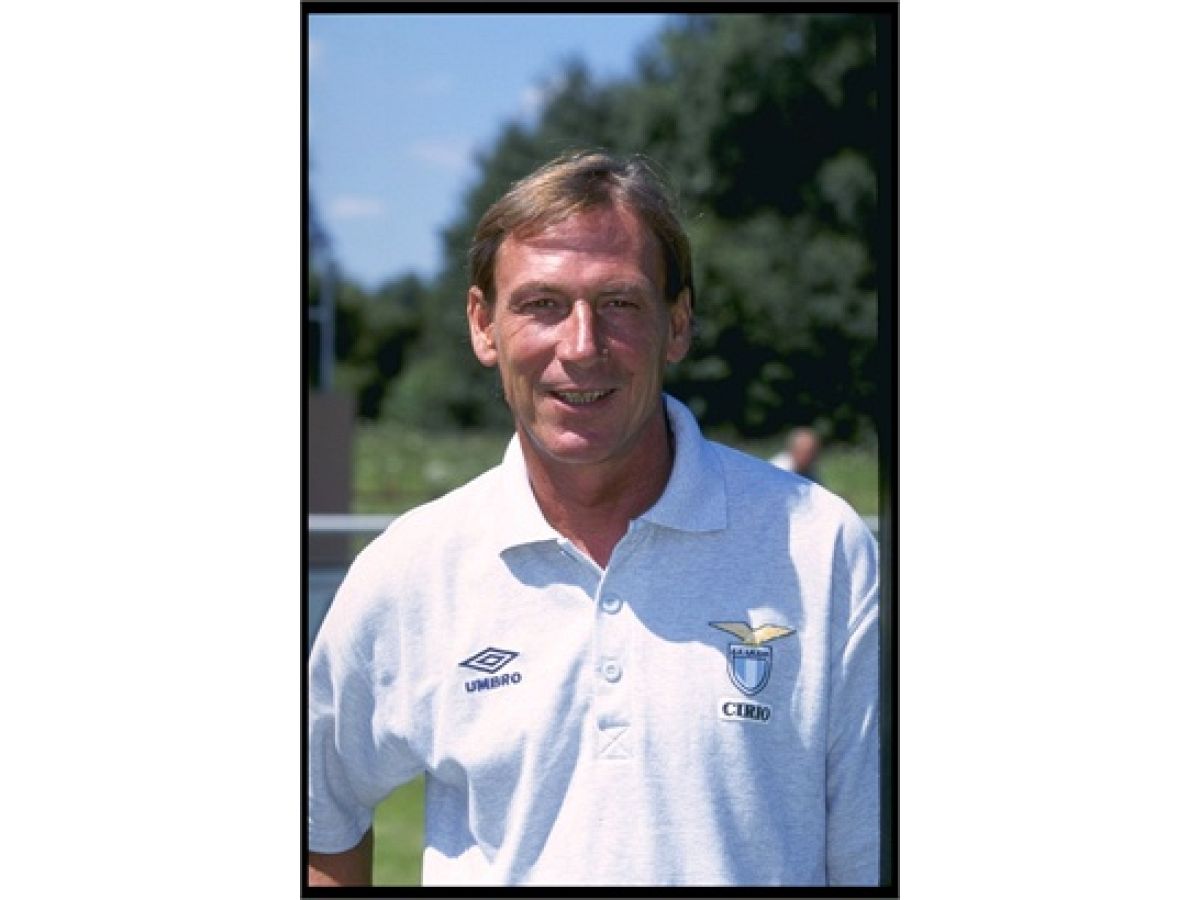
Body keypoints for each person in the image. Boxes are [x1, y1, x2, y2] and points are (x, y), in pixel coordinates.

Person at [307, 150, 880, 887]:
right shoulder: (411, 568)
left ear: (677, 324)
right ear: (484, 326)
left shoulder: (820, 548)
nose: (581, 346)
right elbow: (319, 825)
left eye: (619, 303)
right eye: (542, 304)